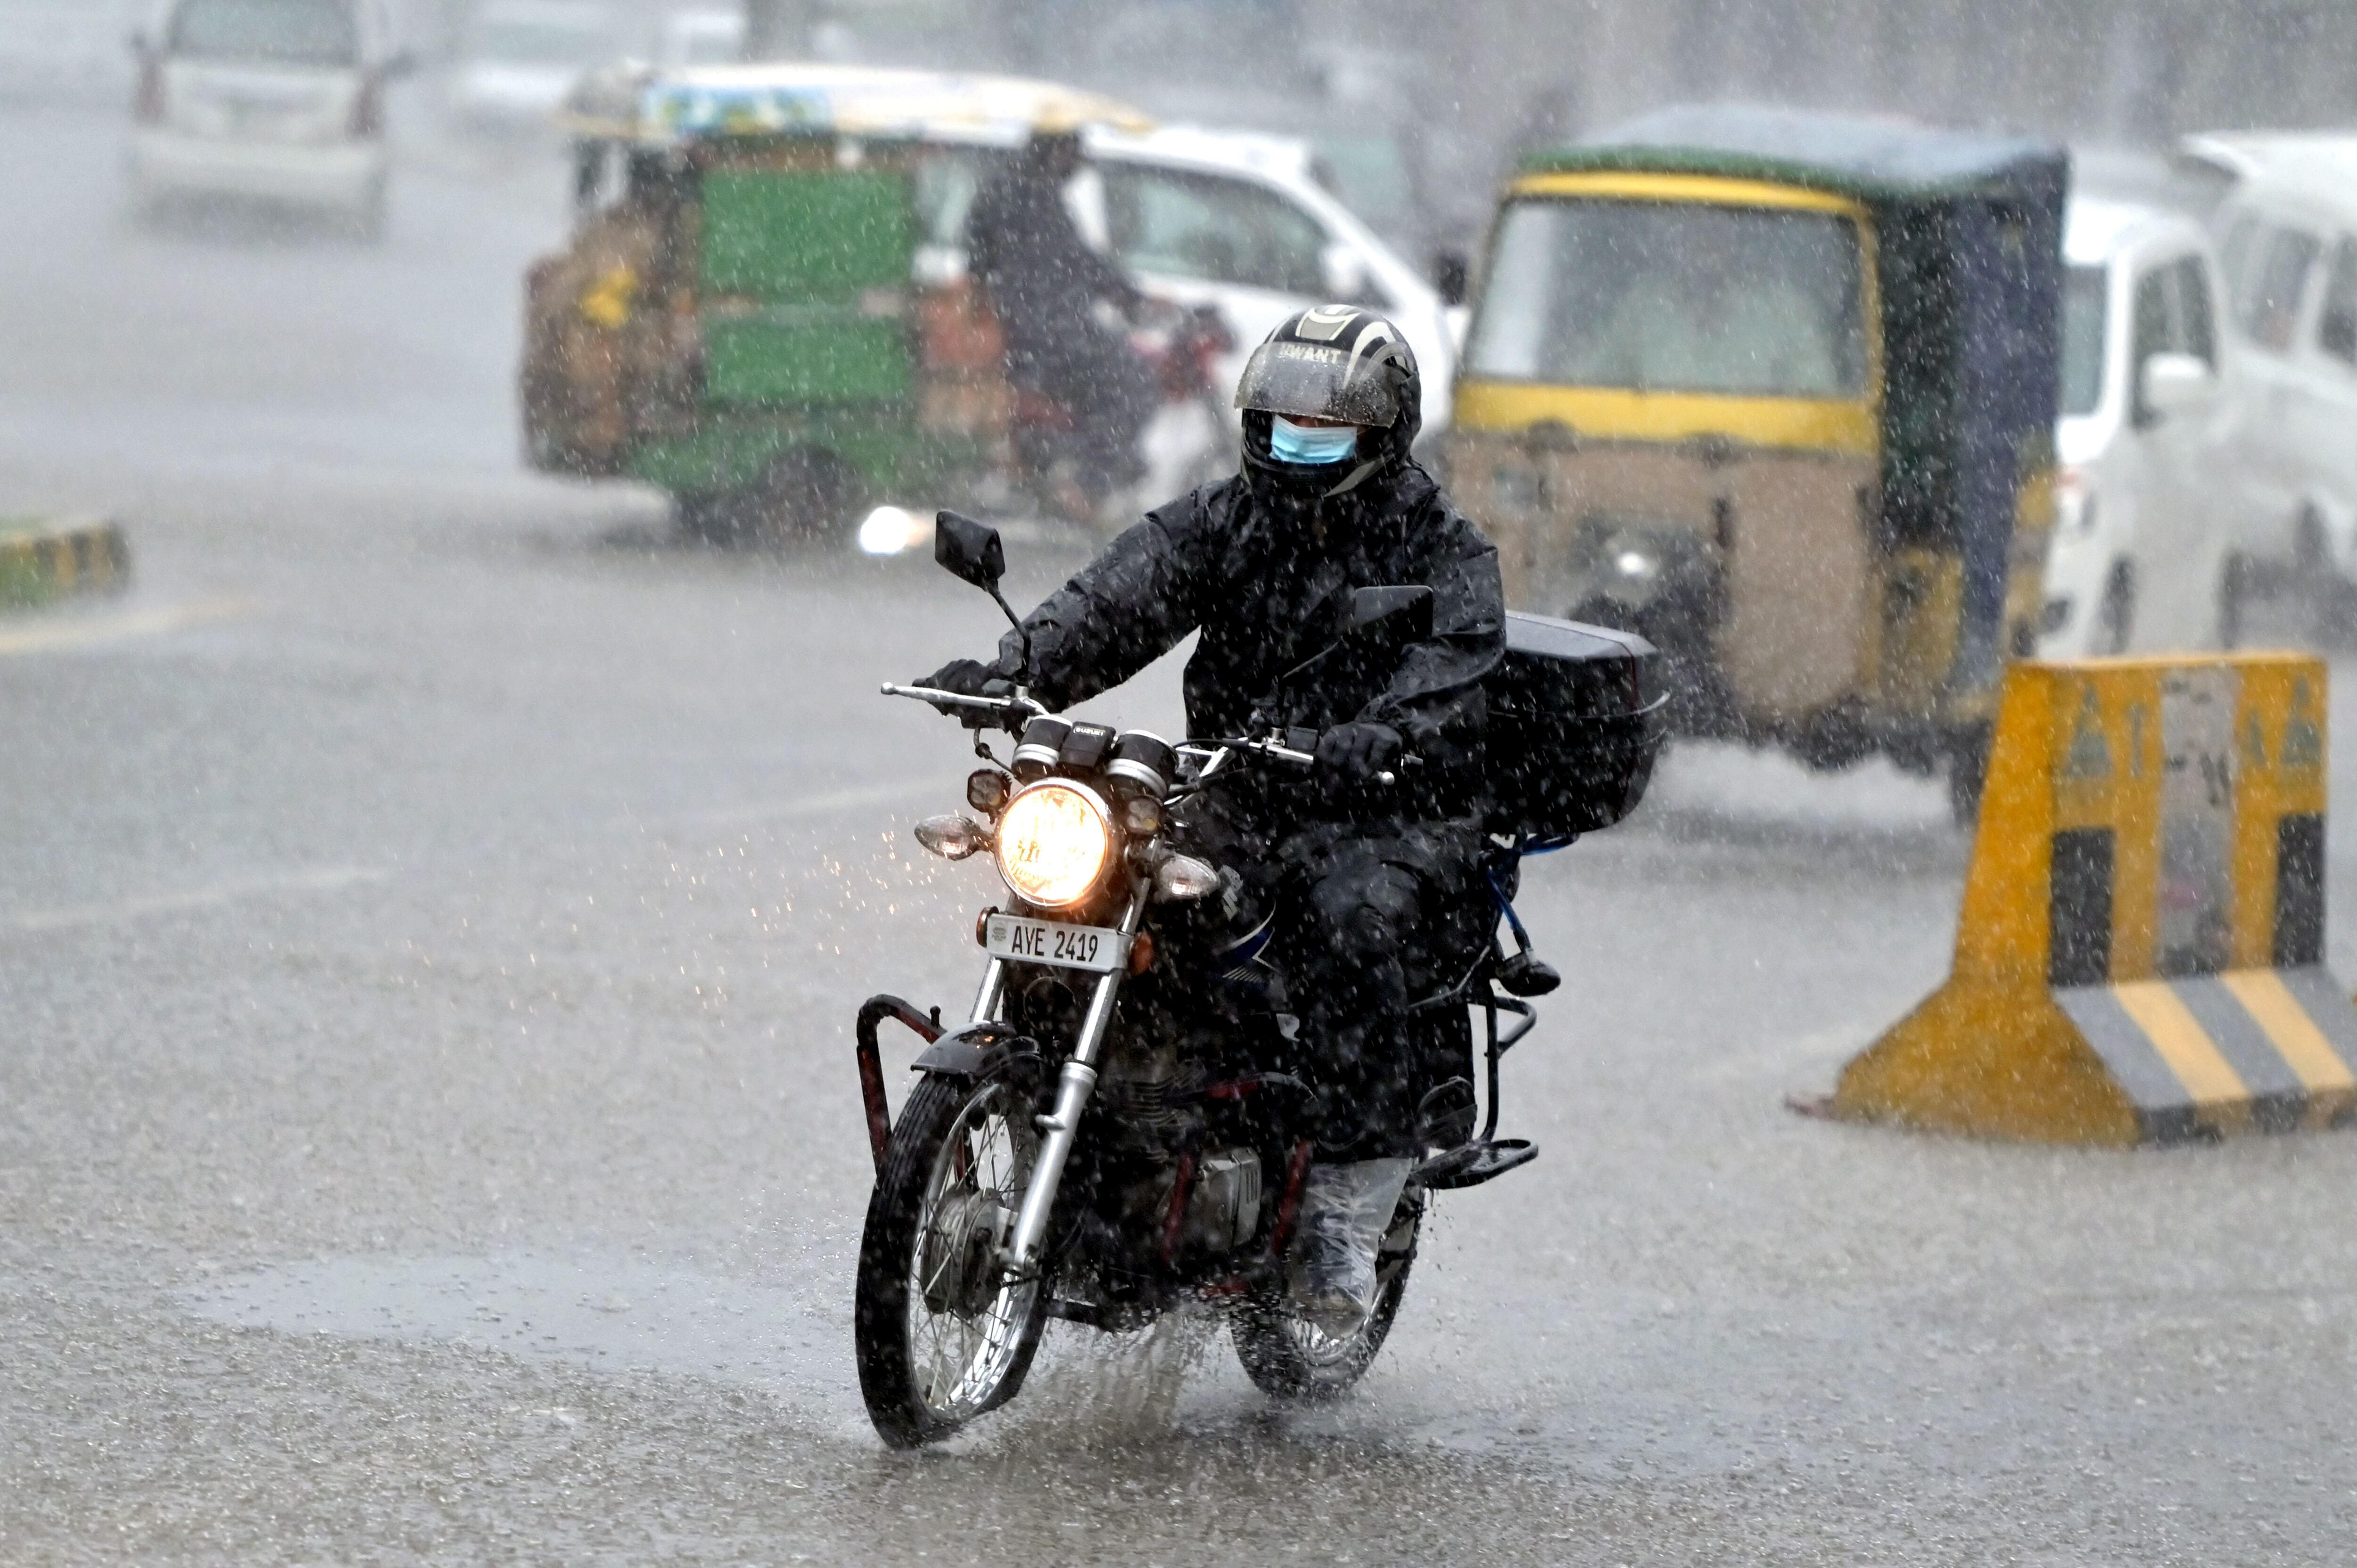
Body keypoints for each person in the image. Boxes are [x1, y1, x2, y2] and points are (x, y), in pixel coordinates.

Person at [918, 305, 1505, 1335]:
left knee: (1346, 922)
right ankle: (1106, 1122)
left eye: (1319, 436)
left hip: (1393, 809)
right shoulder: (1227, 518)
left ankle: (1339, 1219)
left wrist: (1384, 734)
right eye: (1274, 430)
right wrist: (1016, 669)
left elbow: (1453, 676)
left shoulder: (1442, 548)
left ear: (1382, 439)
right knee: (1108, 888)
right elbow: (1119, 598)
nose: (1292, 452)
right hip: (1238, 784)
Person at [964, 125, 1162, 519]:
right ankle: (1087, 486)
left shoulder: (1002, 187)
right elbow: (1077, 261)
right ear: (1058, 152)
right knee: (1133, 385)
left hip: (1021, 327)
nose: (1076, 167)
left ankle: (1073, 469)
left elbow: (977, 255)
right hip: (1053, 331)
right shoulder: (1036, 195)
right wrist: (1132, 298)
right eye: (1074, 155)